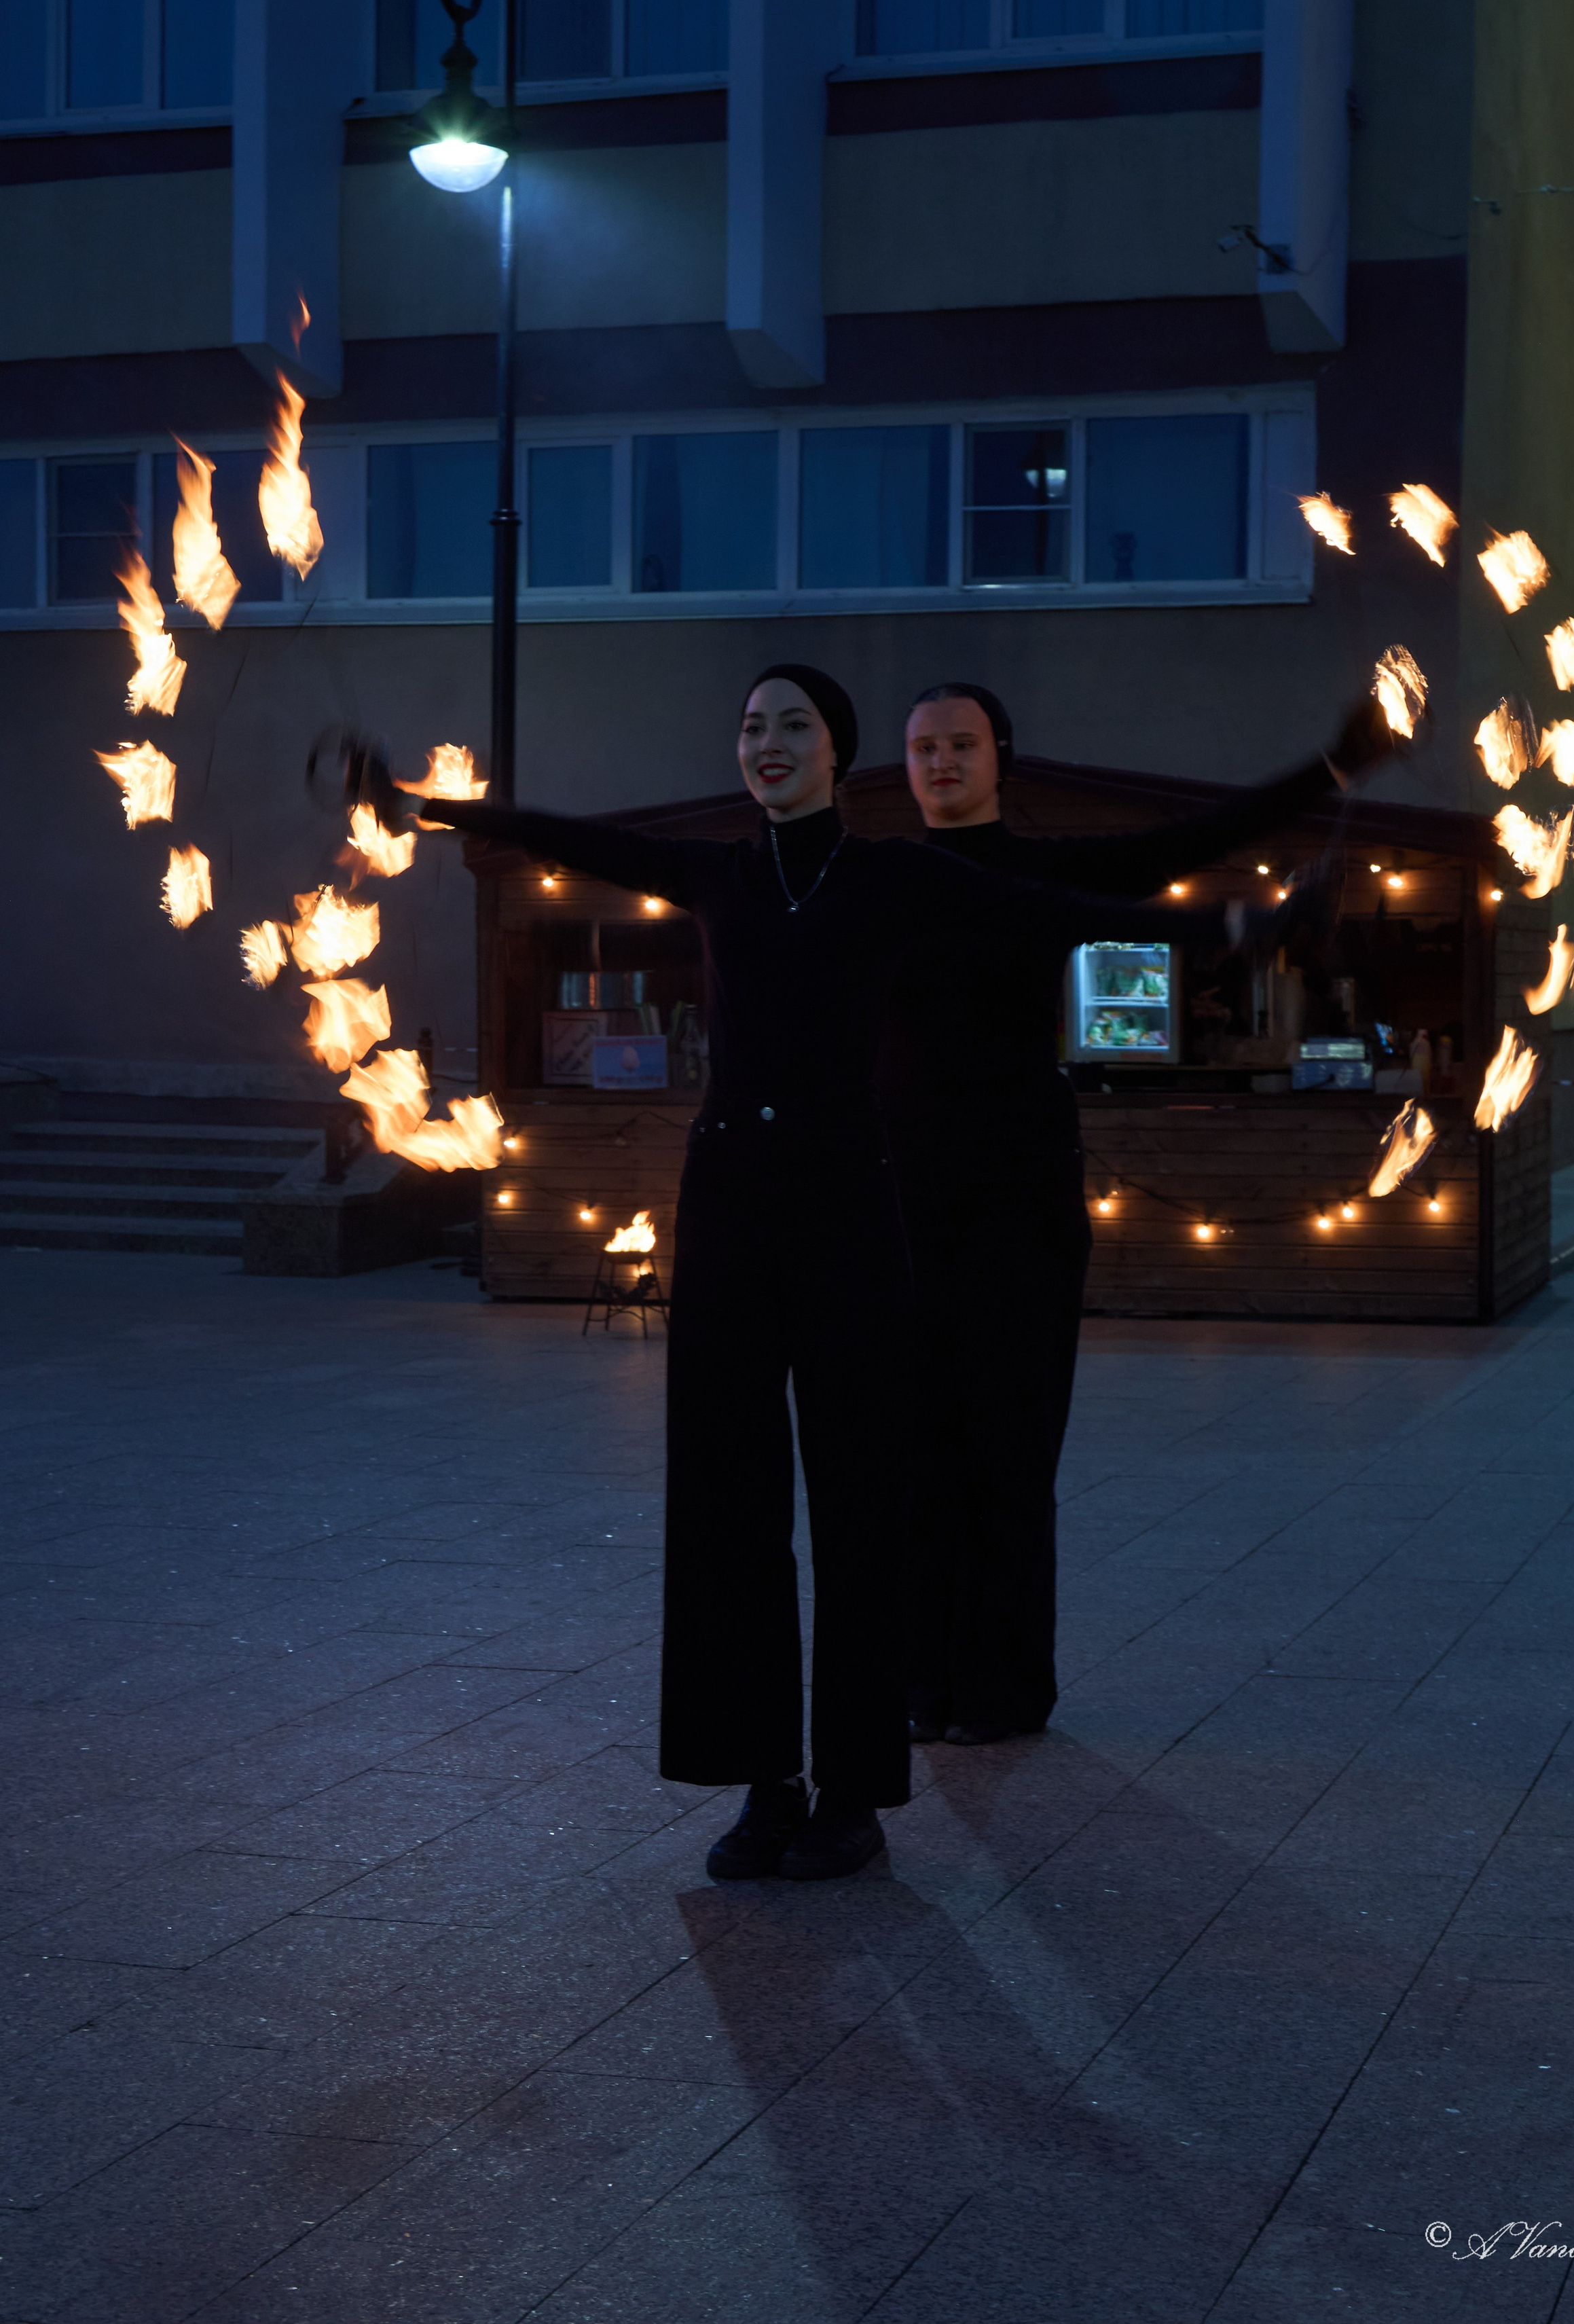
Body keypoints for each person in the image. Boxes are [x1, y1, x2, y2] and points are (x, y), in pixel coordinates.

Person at [369, 668, 1265, 1884]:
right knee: (728, 1508)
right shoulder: (719, 874)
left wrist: (1234, 927)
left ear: (839, 754)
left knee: (861, 1500)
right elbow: (575, 838)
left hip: (852, 1201)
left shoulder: (896, 876)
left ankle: (850, 1795)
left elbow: (1052, 912)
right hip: (731, 1200)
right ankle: (763, 1783)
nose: (766, 744)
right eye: (750, 726)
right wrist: (434, 808)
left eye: (794, 725)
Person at [880, 683, 1393, 1749]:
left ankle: (1007, 1690)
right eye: (924, 747)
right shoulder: (883, 882)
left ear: (1000, 759)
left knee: (1012, 1448)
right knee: (918, 1447)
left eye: (961, 745)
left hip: (1020, 1192)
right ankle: (926, 1681)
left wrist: (1331, 771)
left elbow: (1195, 840)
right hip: (904, 1195)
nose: (941, 763)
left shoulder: (1050, 869)